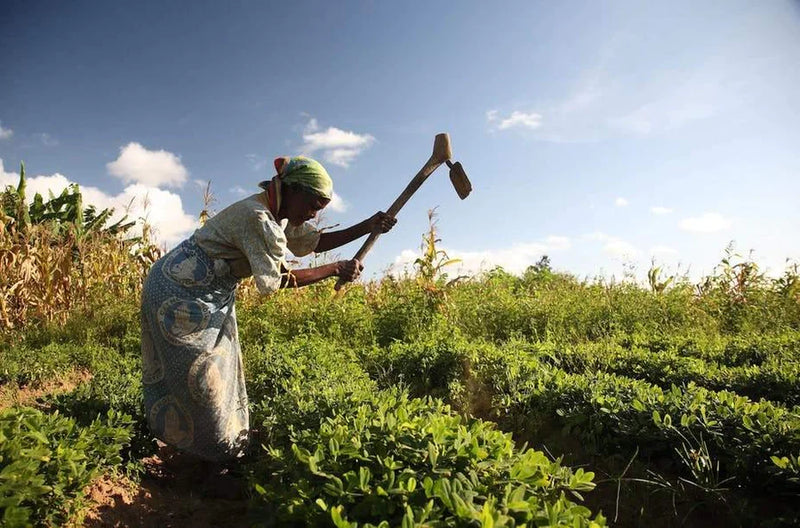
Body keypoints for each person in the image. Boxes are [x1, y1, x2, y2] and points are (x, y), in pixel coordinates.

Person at [140, 156, 395, 473]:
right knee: (202, 378)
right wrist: (335, 268)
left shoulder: (281, 215)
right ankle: (206, 457)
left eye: (321, 208)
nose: (314, 214)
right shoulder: (259, 218)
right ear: (292, 190)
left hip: (206, 291)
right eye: (313, 205)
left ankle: (209, 451)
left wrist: (367, 227)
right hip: (179, 292)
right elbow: (278, 281)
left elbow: (310, 244)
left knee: (217, 370)